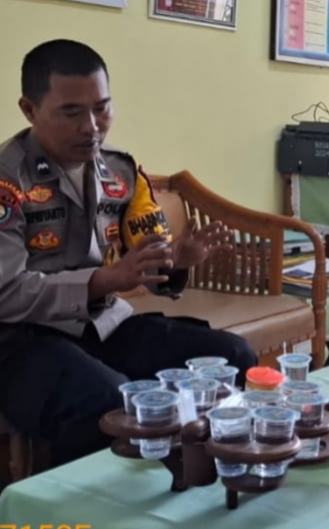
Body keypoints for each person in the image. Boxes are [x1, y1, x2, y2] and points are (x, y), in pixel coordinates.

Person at [0, 39, 257, 468]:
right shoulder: (8, 181)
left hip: (103, 326)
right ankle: (77, 498)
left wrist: (175, 261)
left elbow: (146, 262)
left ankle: (205, 474)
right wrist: (105, 280)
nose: (91, 127)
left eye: (101, 108)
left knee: (231, 357)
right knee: (108, 400)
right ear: (29, 110)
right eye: (71, 112)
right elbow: (6, 291)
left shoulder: (119, 171)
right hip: (20, 344)